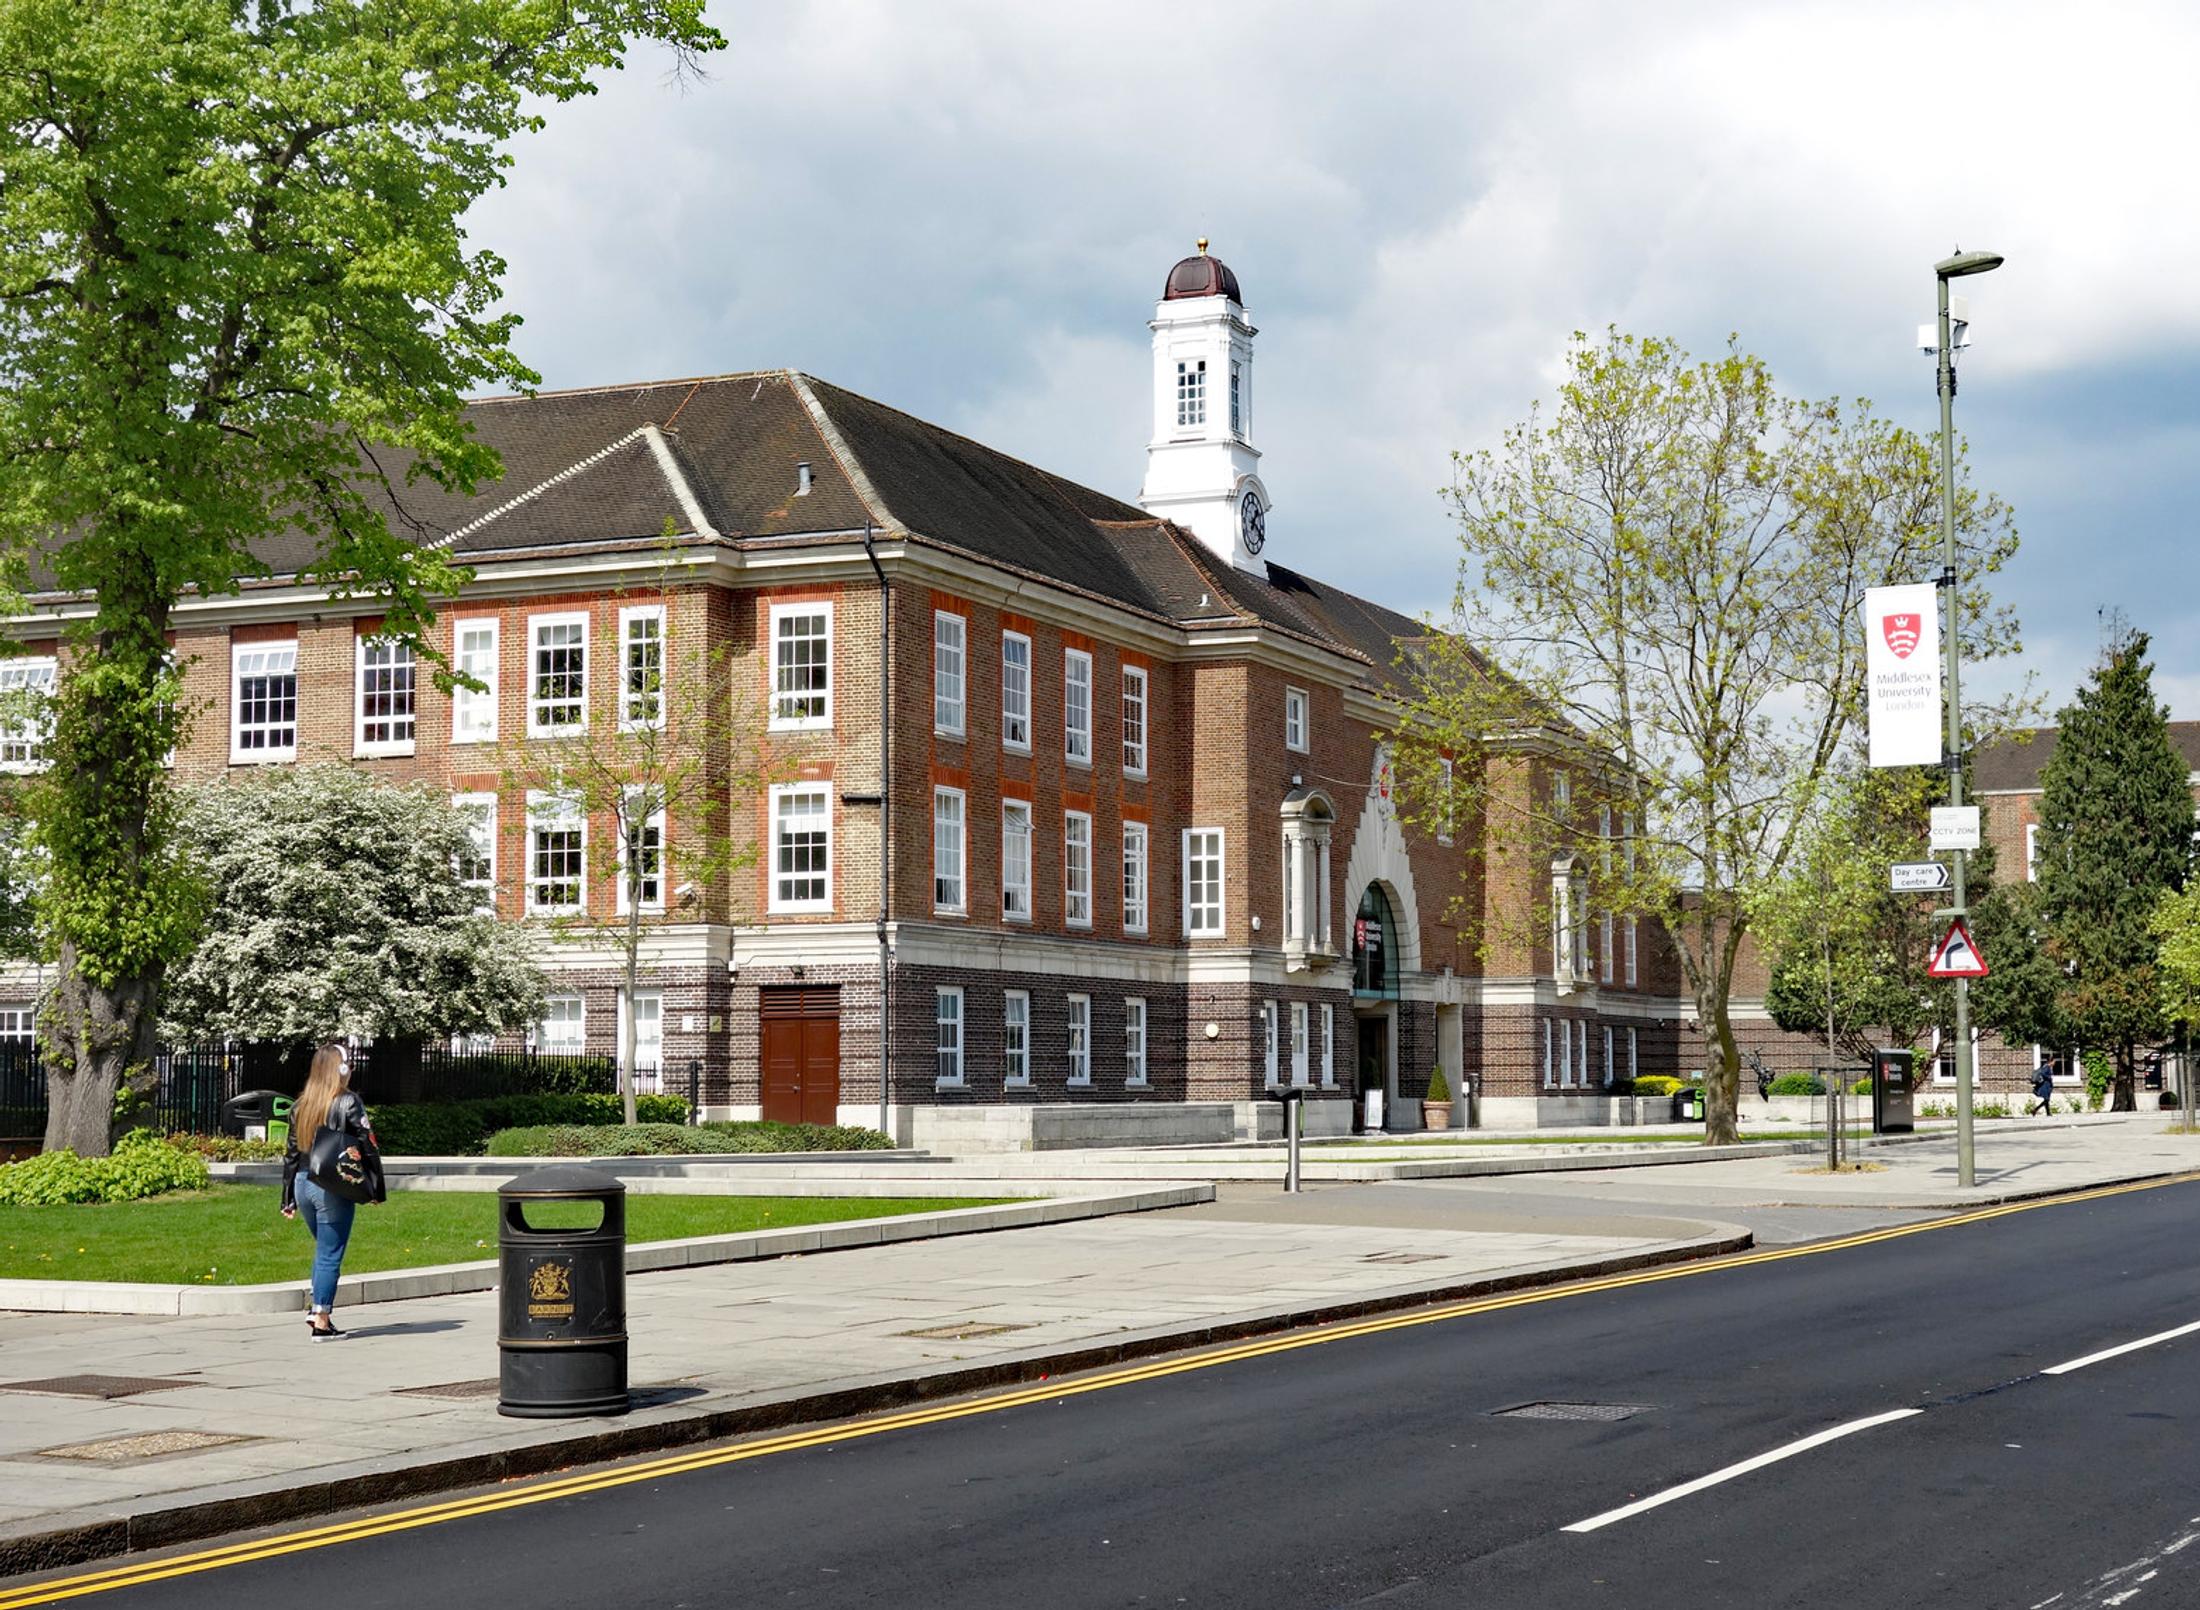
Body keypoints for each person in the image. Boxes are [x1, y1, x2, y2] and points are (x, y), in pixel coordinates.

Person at [281, 1044, 385, 1338]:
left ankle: (317, 1309)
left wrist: (287, 1197)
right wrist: (375, 1187)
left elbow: (291, 1152)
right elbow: (367, 1144)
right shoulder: (349, 1101)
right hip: (332, 1185)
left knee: (323, 1248)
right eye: (347, 1064)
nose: (350, 1068)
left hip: (303, 1183)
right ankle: (321, 1317)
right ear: (340, 1069)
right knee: (330, 1253)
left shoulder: (300, 1104)